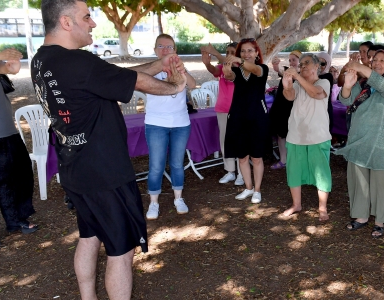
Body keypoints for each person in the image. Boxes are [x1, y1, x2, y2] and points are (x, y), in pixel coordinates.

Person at [31, 0, 186, 298]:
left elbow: (113, 76)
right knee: (121, 249)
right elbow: (139, 82)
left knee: (89, 236)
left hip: (76, 169)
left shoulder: (42, 60)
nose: (92, 23)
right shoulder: (78, 62)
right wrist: (175, 87)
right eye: (86, 16)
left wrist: (159, 64)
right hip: (106, 174)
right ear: (66, 22)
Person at [337, 49, 384, 238]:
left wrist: (359, 67)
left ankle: (380, 221)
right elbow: (345, 100)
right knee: (358, 181)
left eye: (382, 61)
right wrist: (348, 86)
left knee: (382, 183)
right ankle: (360, 217)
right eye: (375, 60)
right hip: (359, 140)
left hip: (383, 144)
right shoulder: (363, 84)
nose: (377, 63)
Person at [144, 34, 197, 220]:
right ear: (155, 50)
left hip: (180, 123)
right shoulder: (150, 70)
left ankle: (178, 199)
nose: (165, 50)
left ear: (175, 50)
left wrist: (181, 70)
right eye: (161, 46)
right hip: (156, 123)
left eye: (170, 47)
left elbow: (193, 84)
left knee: (176, 164)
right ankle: (153, 202)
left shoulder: (181, 67)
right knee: (156, 166)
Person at [0, 48, 38, 250]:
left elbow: (0, 67)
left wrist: (10, 65)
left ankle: (16, 219)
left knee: (17, 177)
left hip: (7, 133)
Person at [280, 54, 332, 221]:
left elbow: (316, 93)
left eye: (306, 63)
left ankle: (322, 208)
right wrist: (287, 86)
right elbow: (289, 96)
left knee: (322, 173)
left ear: (317, 66)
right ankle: (296, 205)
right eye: (300, 64)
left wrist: (296, 77)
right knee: (293, 171)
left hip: (318, 136)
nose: (302, 66)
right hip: (296, 135)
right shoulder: (298, 83)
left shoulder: (324, 82)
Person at [222, 38, 270, 204]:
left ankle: (257, 190)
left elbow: (254, 69)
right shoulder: (239, 72)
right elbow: (229, 76)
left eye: (250, 51)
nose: (246, 54)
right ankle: (248, 188)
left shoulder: (262, 68)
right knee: (242, 157)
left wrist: (239, 60)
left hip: (257, 118)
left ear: (257, 53)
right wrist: (227, 69)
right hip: (238, 117)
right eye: (243, 51)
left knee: (256, 157)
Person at [201, 42, 245, 185]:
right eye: (227, 52)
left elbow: (230, 67)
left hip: (238, 109)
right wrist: (207, 63)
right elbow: (214, 70)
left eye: (233, 52)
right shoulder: (223, 66)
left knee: (239, 141)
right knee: (225, 141)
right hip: (222, 109)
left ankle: (242, 173)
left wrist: (215, 52)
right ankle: (230, 171)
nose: (229, 55)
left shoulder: (241, 68)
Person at [268, 50, 302, 170]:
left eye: (294, 59)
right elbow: (280, 71)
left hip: (293, 109)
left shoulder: (303, 74)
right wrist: (276, 67)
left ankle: (295, 160)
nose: (292, 62)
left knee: (293, 135)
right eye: (290, 60)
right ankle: (283, 159)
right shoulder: (287, 71)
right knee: (280, 135)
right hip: (280, 107)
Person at [316, 52, 335, 132]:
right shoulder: (311, 75)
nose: (320, 65)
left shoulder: (328, 76)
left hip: (324, 111)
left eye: (323, 63)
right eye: (317, 62)